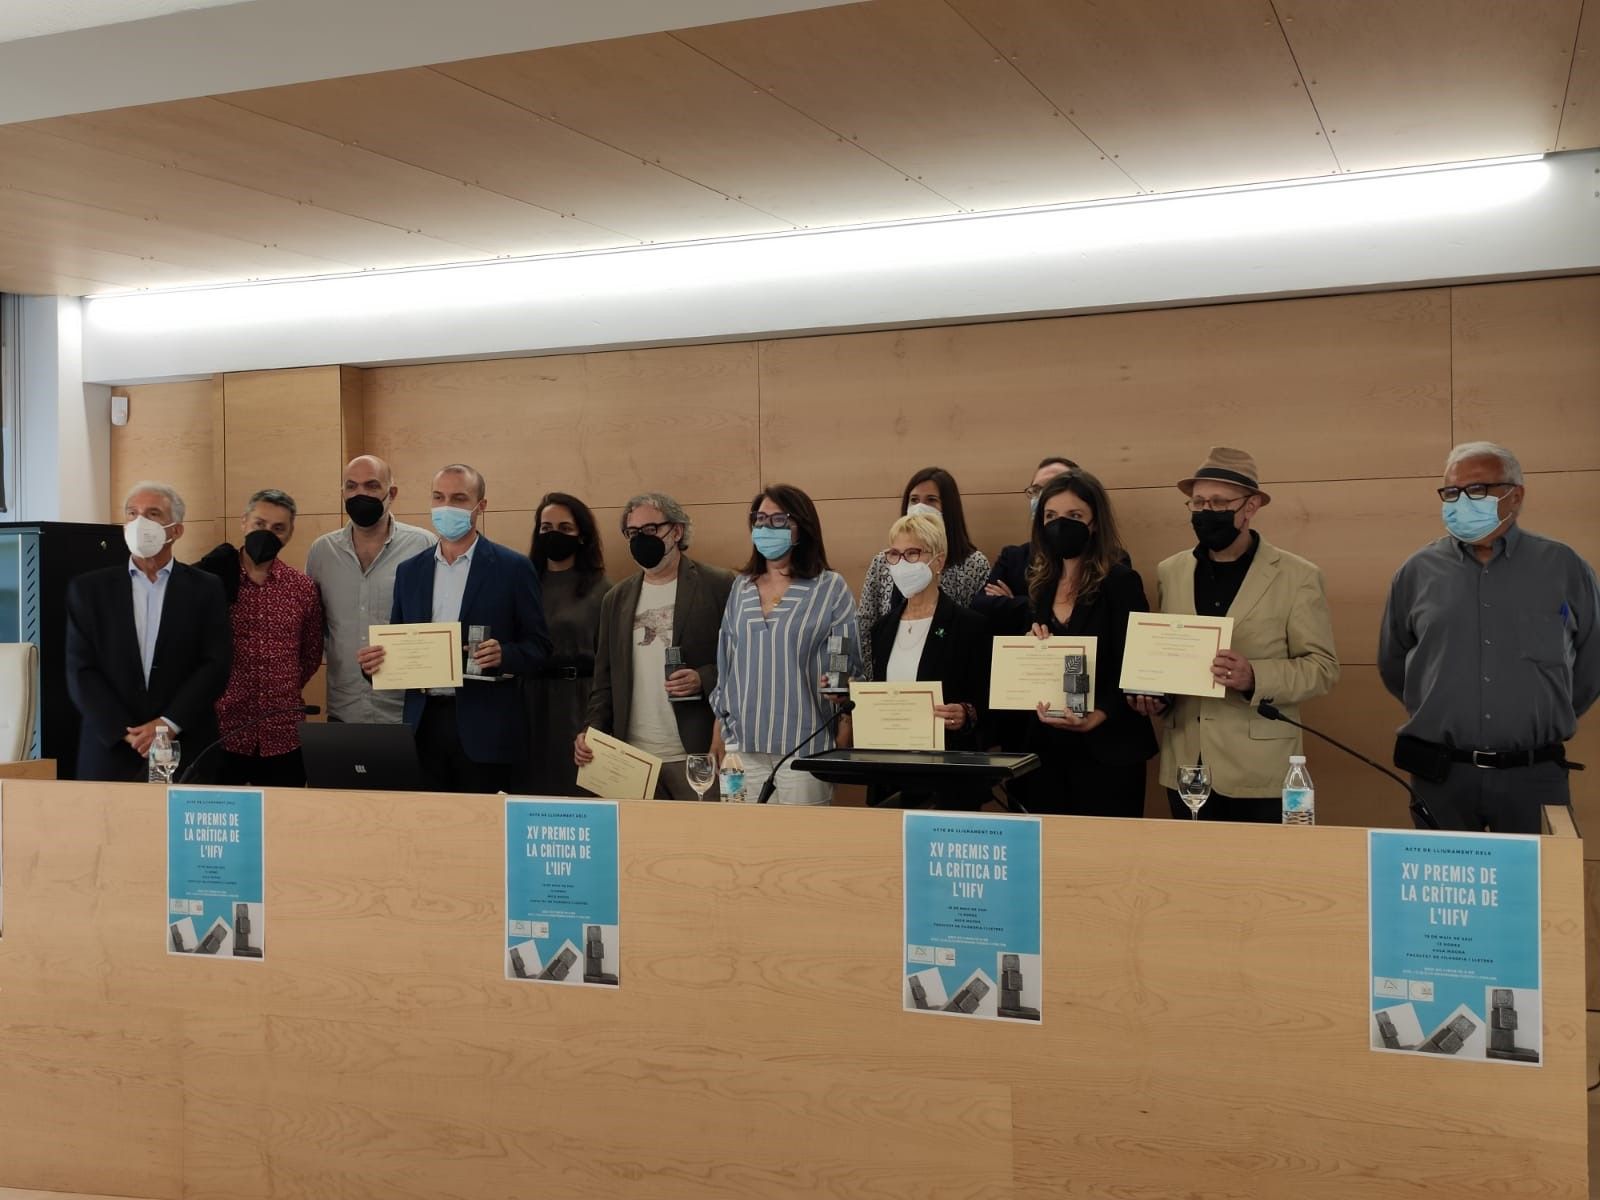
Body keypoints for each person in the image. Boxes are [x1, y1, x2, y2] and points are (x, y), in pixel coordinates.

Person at [1379, 441, 1599, 833]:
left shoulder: (1563, 566)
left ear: (1516, 495)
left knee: (1538, 876)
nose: (1462, 501)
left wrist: (1541, 715)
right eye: (1452, 492)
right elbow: (1395, 664)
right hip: (1442, 775)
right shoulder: (1417, 572)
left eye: (1477, 489)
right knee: (1444, 874)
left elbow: (1591, 663)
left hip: (1533, 774)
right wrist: (1442, 707)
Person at [1130, 447, 1340, 822]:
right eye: (1198, 503)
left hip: (1259, 770)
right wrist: (1155, 696)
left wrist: (1254, 676)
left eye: (1219, 502)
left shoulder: (1298, 576)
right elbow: (1171, 657)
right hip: (1186, 767)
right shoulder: (1171, 571)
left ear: (1250, 506)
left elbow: (1322, 668)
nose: (1206, 512)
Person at [358, 464, 551, 793]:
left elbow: (540, 648)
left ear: (481, 506)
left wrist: (505, 654)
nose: (446, 506)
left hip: (486, 729)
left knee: (483, 822)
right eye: (438, 497)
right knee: (427, 821)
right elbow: (398, 646)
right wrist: (374, 665)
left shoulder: (513, 568)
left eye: (459, 498)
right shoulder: (410, 571)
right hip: (422, 726)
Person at [999, 471, 1156, 817]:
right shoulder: (1040, 584)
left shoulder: (1120, 581)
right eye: (1051, 516)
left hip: (1107, 750)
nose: (1060, 525)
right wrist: (1031, 650)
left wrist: (1099, 713)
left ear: (1095, 522)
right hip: (1045, 752)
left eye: (1074, 516)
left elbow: (1136, 664)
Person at [64, 482, 232, 782]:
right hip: (111, 749)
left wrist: (168, 723)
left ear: (175, 530)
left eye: (153, 514)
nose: (140, 522)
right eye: (132, 513)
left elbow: (216, 664)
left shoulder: (206, 588)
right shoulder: (89, 590)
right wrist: (127, 732)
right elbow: (81, 670)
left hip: (184, 745)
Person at [576, 492, 735, 800]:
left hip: (698, 752)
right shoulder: (616, 599)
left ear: (676, 531)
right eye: (632, 532)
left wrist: (702, 679)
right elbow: (604, 681)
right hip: (631, 758)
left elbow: (741, 665)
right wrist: (590, 731)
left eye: (650, 529)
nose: (641, 539)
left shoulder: (719, 584)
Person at [710, 484, 861, 805]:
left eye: (779, 520)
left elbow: (846, 667)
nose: (767, 527)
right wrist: (718, 732)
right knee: (741, 834)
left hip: (805, 748)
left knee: (802, 835)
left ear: (801, 527)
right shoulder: (741, 587)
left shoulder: (830, 588)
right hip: (741, 746)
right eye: (760, 519)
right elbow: (727, 667)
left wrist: (844, 723)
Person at [864, 512, 991, 807]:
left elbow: (988, 701)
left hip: (946, 777)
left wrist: (966, 713)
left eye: (912, 553)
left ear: (938, 561)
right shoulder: (882, 628)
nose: (902, 564)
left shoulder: (969, 626)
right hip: (891, 771)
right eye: (894, 554)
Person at [197, 488, 323, 786]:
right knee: (220, 812)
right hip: (223, 730)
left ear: (290, 533)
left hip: (283, 733)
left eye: (278, 528)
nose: (267, 533)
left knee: (285, 813)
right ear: (244, 522)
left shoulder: (302, 588)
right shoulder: (211, 581)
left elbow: (311, 653)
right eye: (259, 524)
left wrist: (279, 684)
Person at [305, 454, 434, 724]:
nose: (360, 494)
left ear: (392, 493)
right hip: (344, 707)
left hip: (405, 709)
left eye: (372, 485)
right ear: (342, 492)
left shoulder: (423, 546)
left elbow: (435, 622)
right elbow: (316, 627)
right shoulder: (322, 552)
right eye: (351, 486)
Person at [856, 467, 990, 674]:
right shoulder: (883, 562)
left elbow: (973, 629)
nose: (920, 507)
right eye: (914, 500)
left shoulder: (973, 563)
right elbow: (866, 620)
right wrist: (869, 679)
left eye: (931, 500)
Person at [522, 492, 611, 795]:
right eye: (546, 528)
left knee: (575, 787)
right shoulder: (524, 582)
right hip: (528, 701)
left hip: (578, 701)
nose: (554, 535)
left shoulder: (602, 588)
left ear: (582, 535)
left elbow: (609, 663)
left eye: (565, 528)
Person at [973, 455, 1078, 628]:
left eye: (1053, 488)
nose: (1043, 496)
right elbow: (981, 606)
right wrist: (1033, 606)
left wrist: (1011, 602)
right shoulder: (1013, 557)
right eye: (1036, 490)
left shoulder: (1110, 561)